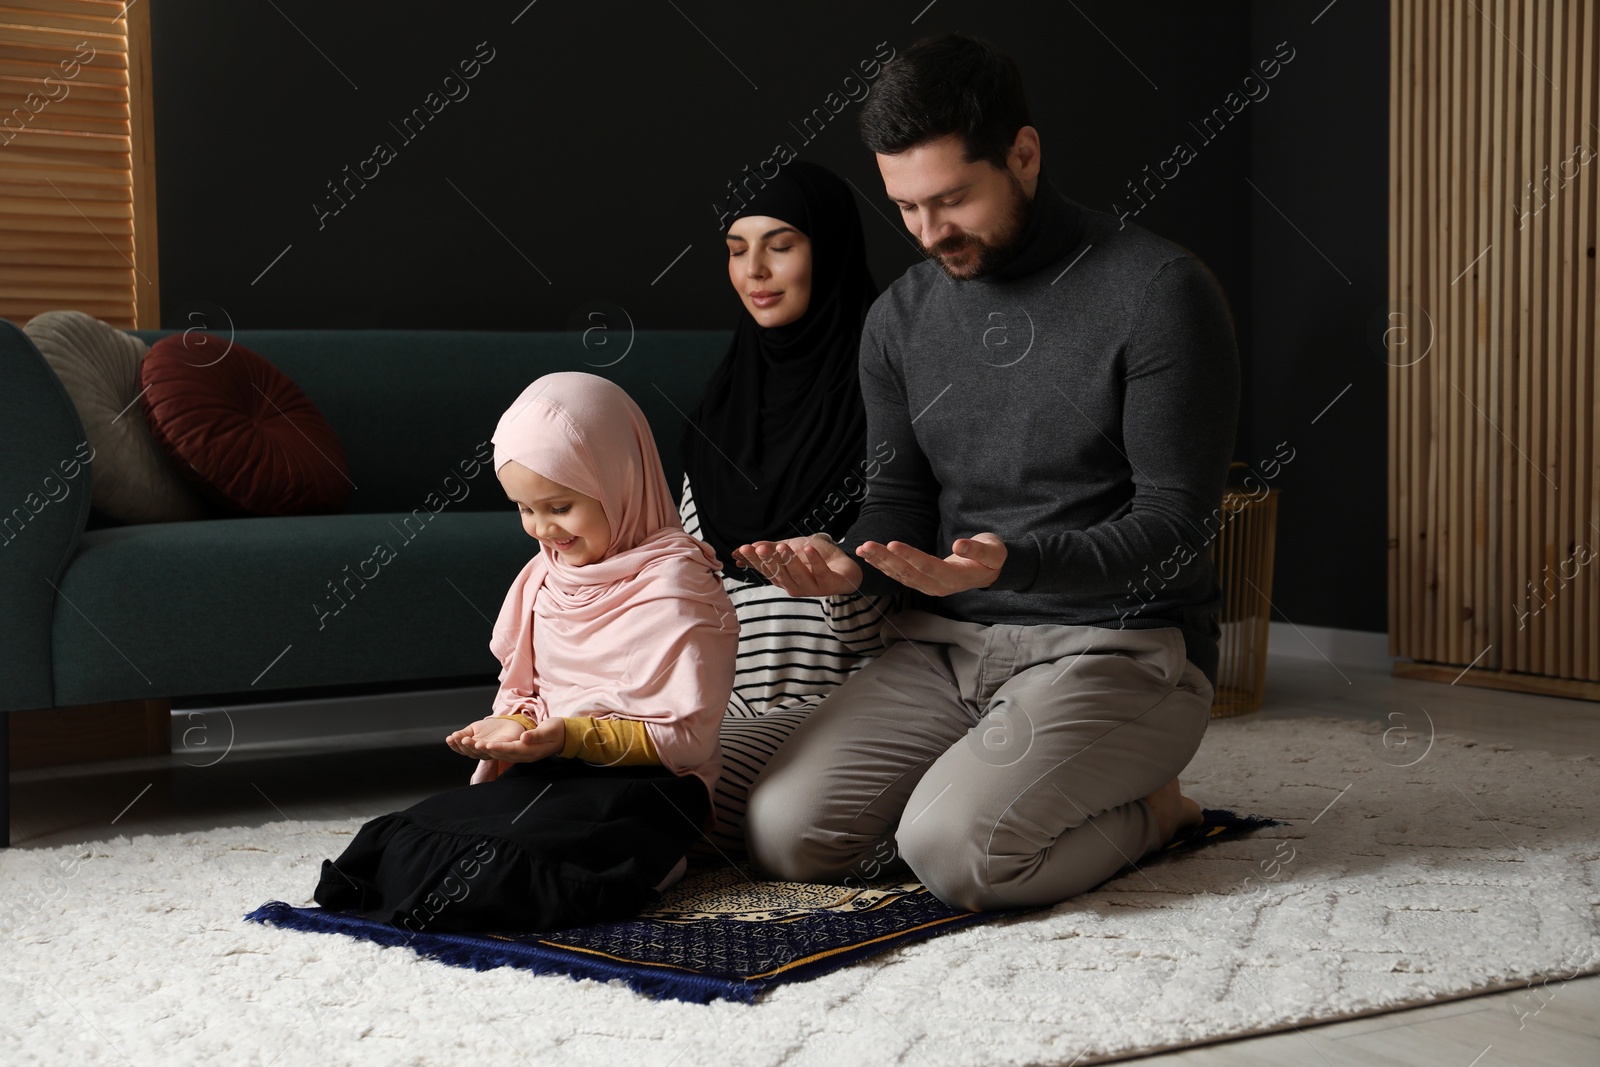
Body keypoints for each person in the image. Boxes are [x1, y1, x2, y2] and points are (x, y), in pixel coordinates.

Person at [734, 32, 1241, 912]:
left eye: (952, 199)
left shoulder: (1160, 290)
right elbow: (895, 500)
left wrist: (1017, 562)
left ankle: (1156, 812)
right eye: (906, 208)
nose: (930, 233)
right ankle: (984, 777)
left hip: (1117, 648)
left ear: (1025, 154)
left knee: (956, 854)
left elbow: (1175, 528)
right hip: (945, 651)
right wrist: (850, 564)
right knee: (784, 834)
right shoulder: (898, 319)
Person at [313, 372, 737, 932]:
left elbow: (687, 740)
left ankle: (655, 862)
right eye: (525, 509)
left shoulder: (678, 586)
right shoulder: (545, 577)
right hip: (552, 768)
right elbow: (529, 693)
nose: (542, 529)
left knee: (506, 872)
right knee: (401, 845)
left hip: (649, 784)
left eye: (560, 506)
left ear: (620, 481)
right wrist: (513, 727)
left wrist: (567, 735)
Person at [678, 159, 899, 857]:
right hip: (723, 700)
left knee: (679, 800)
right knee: (579, 764)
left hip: (850, 697)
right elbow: (687, 590)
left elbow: (892, 620)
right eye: (737, 250)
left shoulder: (888, 397)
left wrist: (837, 584)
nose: (755, 272)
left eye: (780, 244)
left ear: (826, 248)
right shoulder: (719, 409)